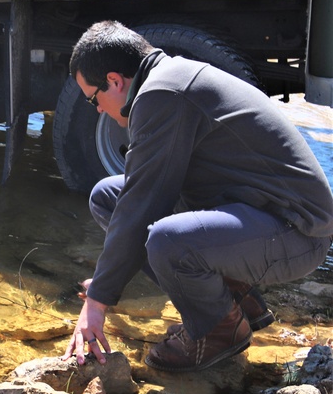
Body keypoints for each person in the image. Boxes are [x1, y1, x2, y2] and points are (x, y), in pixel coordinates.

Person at [62, 20, 333, 372]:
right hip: (261, 214)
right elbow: (137, 195)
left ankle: (219, 329)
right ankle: (236, 301)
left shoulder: (162, 95)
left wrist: (96, 303)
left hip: (298, 232)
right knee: (107, 197)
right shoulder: (169, 80)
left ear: (114, 81)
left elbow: (144, 205)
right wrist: (106, 281)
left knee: (167, 241)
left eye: (91, 98)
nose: (96, 108)